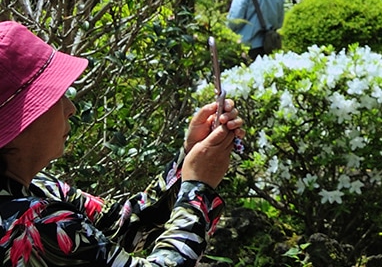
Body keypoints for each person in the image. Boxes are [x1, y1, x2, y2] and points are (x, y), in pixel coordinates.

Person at [0, 20, 242, 267]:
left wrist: (189, 158)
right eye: (53, 97)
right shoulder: (35, 223)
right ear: (20, 124)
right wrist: (197, 188)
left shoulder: (39, 186)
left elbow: (121, 226)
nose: (70, 108)